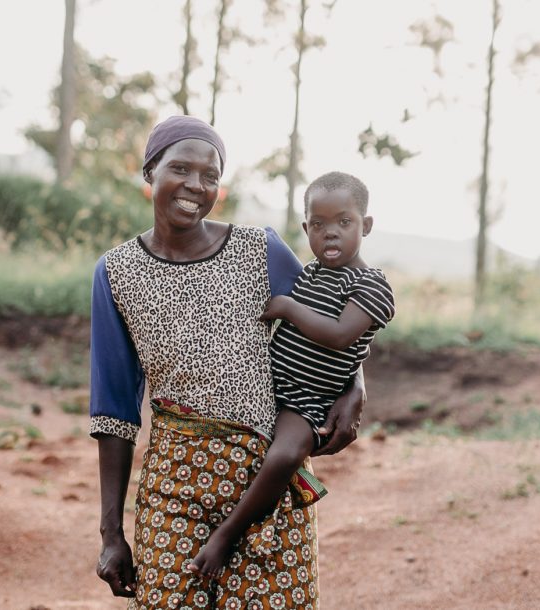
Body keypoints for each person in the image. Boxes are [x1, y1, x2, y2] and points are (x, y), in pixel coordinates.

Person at [90, 116, 366, 609]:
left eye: (210, 175)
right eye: (181, 168)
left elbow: (333, 314)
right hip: (175, 488)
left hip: (268, 487)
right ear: (149, 172)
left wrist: (355, 384)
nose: (196, 186)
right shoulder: (116, 272)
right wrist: (112, 533)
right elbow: (114, 409)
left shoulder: (258, 250)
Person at [189, 171, 395, 578]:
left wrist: (286, 307)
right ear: (305, 228)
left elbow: (340, 337)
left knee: (283, 455)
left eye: (344, 222)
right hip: (266, 387)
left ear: (366, 225)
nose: (330, 233)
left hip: (307, 400)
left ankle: (227, 535)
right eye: (318, 225)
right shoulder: (311, 274)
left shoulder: (372, 285)